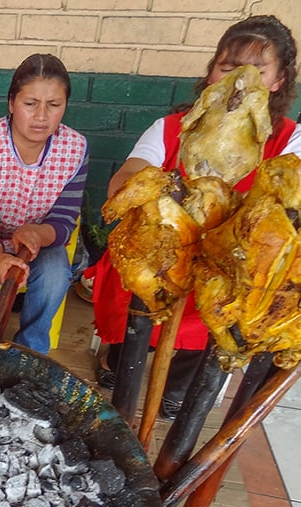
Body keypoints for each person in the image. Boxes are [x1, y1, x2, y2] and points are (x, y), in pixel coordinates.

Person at [88, 14, 300, 417]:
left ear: (278, 81)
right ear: (211, 74)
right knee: (133, 308)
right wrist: (157, 190)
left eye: (257, 70)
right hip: (166, 255)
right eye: (227, 67)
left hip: (229, 268)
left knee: (210, 321)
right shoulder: (172, 128)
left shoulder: (291, 140)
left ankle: (178, 388)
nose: (240, 80)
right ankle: (117, 364)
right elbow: (127, 179)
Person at [0, 53, 88, 354]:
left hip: (41, 239)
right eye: (30, 104)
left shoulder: (75, 149)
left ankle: (30, 354)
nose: (41, 116)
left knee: (55, 275)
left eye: (54, 105)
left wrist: (37, 234)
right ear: (12, 103)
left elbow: (64, 221)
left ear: (65, 106)